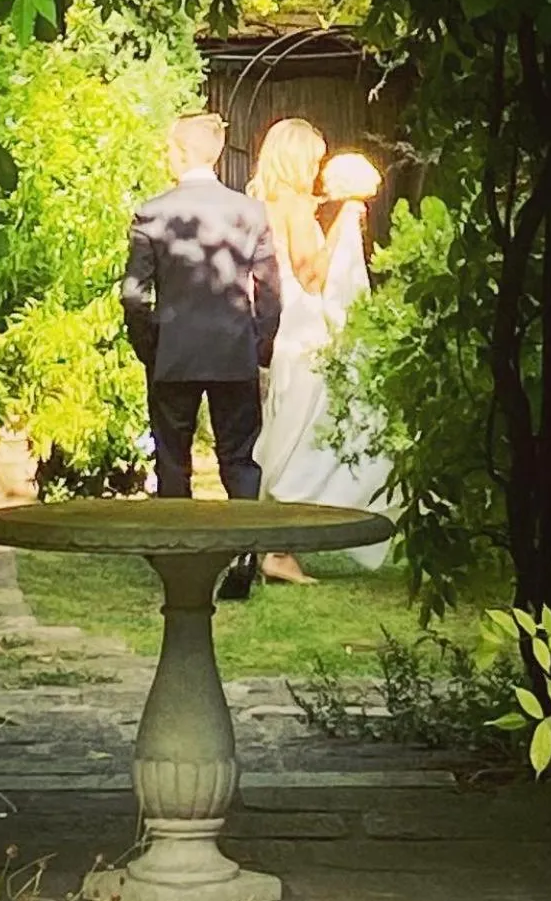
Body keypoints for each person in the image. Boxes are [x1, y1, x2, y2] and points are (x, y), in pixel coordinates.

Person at [120, 113, 282, 600]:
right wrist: (259, 343)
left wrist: (150, 345)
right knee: (239, 457)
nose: (165, 156)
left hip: (174, 352)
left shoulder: (152, 213)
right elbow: (270, 290)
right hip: (232, 348)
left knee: (173, 457)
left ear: (182, 152)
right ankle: (246, 552)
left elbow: (134, 295)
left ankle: (179, 555)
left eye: (169, 149)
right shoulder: (250, 213)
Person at [249, 119, 395, 585]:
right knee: (311, 430)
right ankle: (280, 544)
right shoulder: (292, 206)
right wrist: (347, 218)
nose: (316, 168)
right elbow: (313, 273)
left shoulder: (260, 201)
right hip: (303, 327)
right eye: (313, 158)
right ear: (296, 157)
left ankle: (277, 543)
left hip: (276, 326)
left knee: (288, 429)